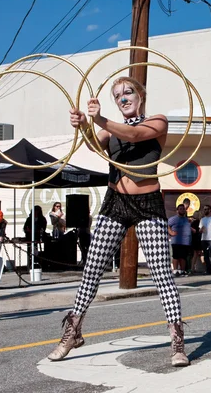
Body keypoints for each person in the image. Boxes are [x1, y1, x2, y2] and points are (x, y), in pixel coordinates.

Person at [48, 76, 189, 367]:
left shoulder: (157, 122)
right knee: (92, 269)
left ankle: (177, 342)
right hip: (115, 202)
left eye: (128, 93)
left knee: (162, 273)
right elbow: (91, 145)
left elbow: (135, 135)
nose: (123, 98)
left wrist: (98, 119)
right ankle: (73, 333)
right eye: (117, 95)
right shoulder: (108, 131)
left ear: (140, 95)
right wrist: (83, 125)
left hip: (148, 204)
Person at [168, 204, 192, 277]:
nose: (182, 210)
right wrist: (171, 232)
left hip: (185, 242)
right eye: (180, 209)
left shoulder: (186, 219)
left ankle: (182, 271)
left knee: (183, 257)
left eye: (183, 209)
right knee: (176, 256)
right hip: (176, 241)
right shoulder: (173, 219)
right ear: (177, 210)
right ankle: (175, 271)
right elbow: (167, 225)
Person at [199, 205, 211, 275]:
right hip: (204, 239)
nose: (205, 211)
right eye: (204, 209)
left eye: (206, 209)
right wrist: (201, 229)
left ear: (210, 210)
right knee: (206, 255)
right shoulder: (202, 219)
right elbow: (200, 230)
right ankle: (208, 270)